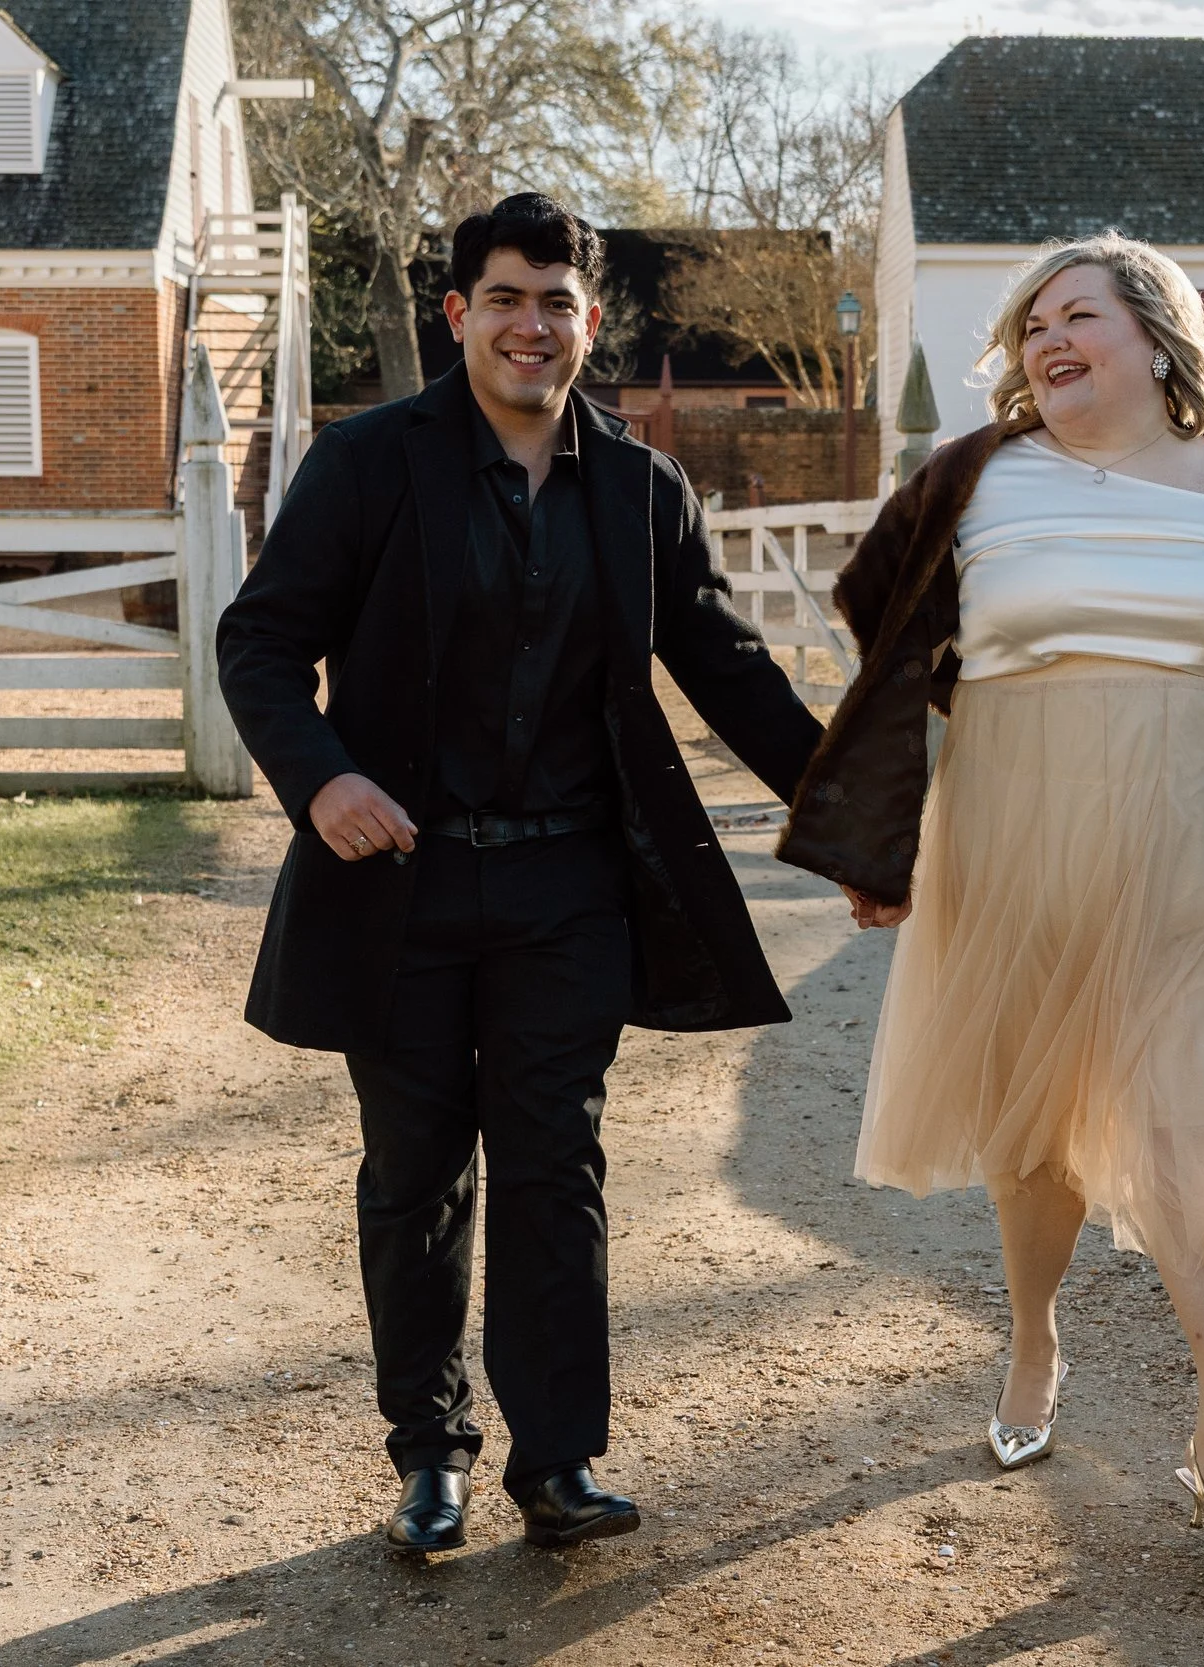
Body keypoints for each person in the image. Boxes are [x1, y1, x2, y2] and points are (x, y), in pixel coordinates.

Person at [777, 233, 1204, 1567]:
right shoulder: (976, 482)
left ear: (1157, 336)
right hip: (1014, 842)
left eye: (1076, 314)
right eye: (1030, 323)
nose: (1045, 340)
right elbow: (896, 670)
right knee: (1032, 1124)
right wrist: (885, 836)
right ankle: (1035, 1336)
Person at [215, 194, 823, 1554]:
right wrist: (324, 779)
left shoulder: (639, 488)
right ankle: (427, 1453)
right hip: (402, 892)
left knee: (557, 1165)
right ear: (458, 316)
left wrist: (858, 825)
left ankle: (556, 1461)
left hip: (568, 895)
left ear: (587, 323)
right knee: (415, 1169)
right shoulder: (371, 465)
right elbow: (259, 645)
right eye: (504, 298)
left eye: (555, 302)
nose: (530, 326)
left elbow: (727, 670)